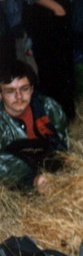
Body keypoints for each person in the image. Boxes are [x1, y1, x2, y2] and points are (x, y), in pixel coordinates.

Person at [0, 61, 69, 190]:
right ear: (0, 94)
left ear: (32, 89)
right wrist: (33, 180)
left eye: (24, 88)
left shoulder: (48, 107)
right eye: (10, 91)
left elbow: (64, 146)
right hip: (19, 183)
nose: (19, 96)